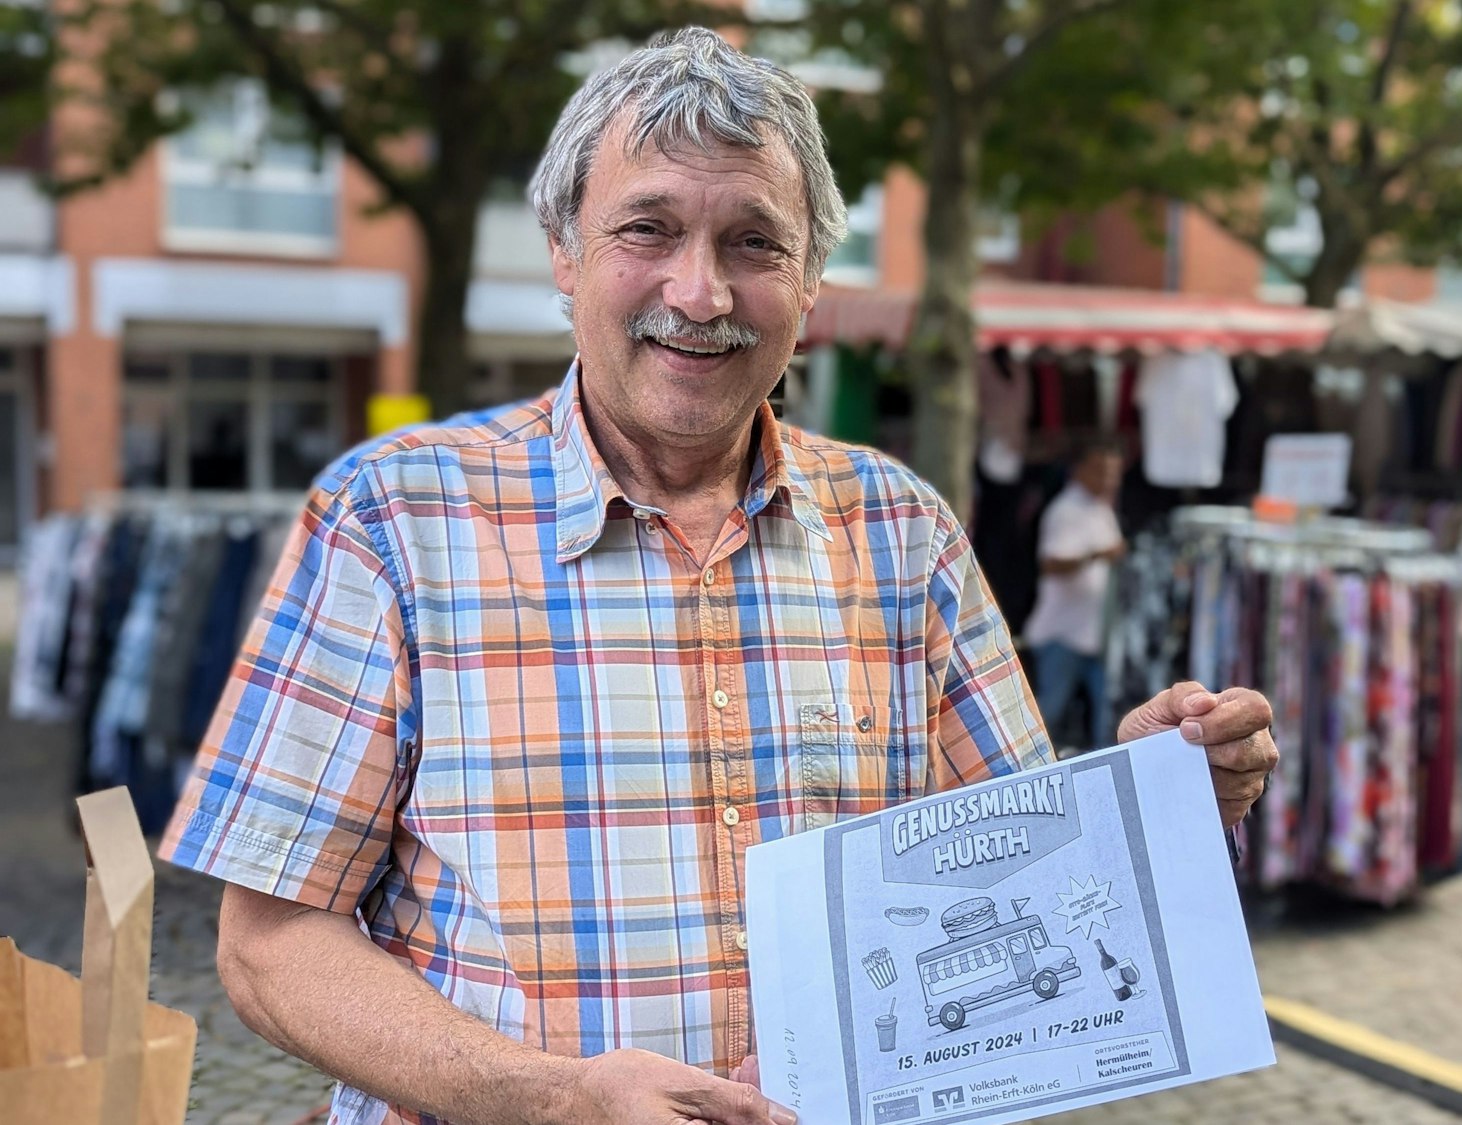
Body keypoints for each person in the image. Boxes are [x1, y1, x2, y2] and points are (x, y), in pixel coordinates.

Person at [158, 29, 1276, 1125]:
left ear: (810, 278)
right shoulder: (392, 519)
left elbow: (1007, 866)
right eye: (647, 228)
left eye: (754, 242)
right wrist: (553, 1099)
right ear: (563, 250)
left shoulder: (903, 531)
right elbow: (267, 946)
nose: (699, 294)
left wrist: (1146, 802)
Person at [1021, 437, 1126, 751]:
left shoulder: (1102, 509)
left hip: (1095, 635)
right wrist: (1095, 554)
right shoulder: (1065, 510)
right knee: (1046, 716)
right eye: (1101, 470)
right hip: (1062, 635)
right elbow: (1051, 563)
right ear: (1079, 470)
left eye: (1114, 472)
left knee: (1110, 718)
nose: (1109, 479)